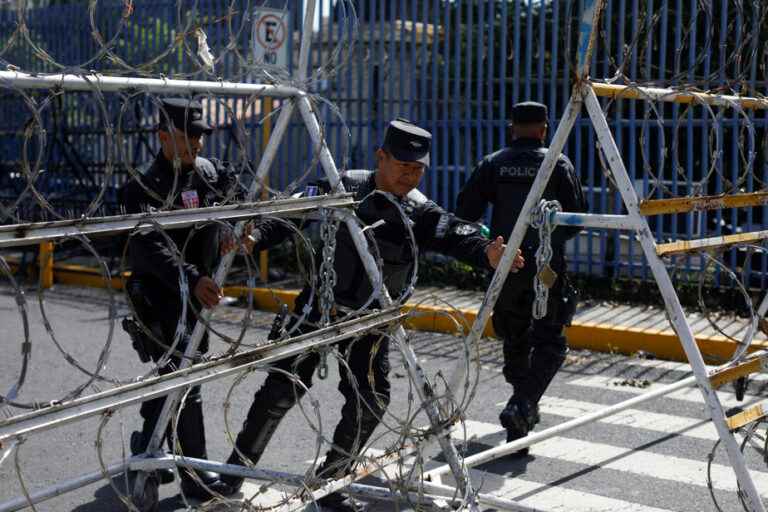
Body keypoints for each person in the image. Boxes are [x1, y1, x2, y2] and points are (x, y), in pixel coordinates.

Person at [221, 118, 524, 511]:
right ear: (381, 157)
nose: (410, 176)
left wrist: (487, 252)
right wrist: (256, 236)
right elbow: (291, 213)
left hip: (372, 321)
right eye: (403, 167)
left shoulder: (417, 209)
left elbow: (453, 231)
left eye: (417, 170)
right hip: (320, 308)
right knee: (281, 389)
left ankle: (331, 481)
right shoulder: (342, 186)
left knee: (373, 399)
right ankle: (234, 471)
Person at [120, 97, 282, 499]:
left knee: (176, 376)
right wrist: (192, 277)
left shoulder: (211, 175)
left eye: (199, 137)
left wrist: (248, 234)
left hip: (199, 296)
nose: (194, 146)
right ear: (161, 137)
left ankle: (147, 443)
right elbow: (149, 247)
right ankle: (196, 470)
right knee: (183, 376)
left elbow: (250, 208)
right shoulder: (142, 187)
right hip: (161, 296)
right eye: (184, 138)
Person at [456, 101, 587, 454]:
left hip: (506, 264)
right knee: (550, 341)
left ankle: (521, 412)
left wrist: (489, 239)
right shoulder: (557, 163)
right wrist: (548, 241)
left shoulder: (494, 164)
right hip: (547, 272)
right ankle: (523, 405)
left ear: (512, 127)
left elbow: (464, 214)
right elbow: (576, 220)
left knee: (514, 338)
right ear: (545, 129)